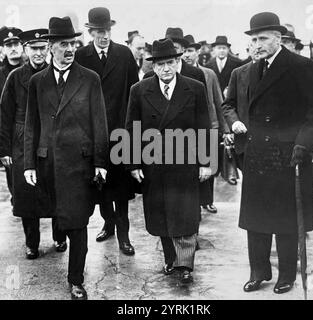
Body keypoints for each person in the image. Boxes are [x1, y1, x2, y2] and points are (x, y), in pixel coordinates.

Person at [240, 12, 313, 294]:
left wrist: (303, 145)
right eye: (254, 39)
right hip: (258, 156)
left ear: (279, 38)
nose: (257, 44)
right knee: (256, 218)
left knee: (287, 219)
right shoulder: (253, 68)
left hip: (290, 156)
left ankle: (287, 274)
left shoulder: (302, 66)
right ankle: (259, 271)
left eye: (263, 38)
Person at [24, 16, 109, 300]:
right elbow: (31, 125)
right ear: (51, 47)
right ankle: (60, 245)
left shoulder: (89, 78)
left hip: (79, 165)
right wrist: (28, 164)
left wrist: (100, 162)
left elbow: (100, 123)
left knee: (79, 223)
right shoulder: (38, 82)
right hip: (48, 165)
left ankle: (76, 280)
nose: (70, 49)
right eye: (63, 44)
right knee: (60, 219)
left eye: (72, 43)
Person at [126, 38, 211, 285]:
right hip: (154, 163)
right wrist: (133, 163)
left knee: (184, 214)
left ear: (178, 62)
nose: (165, 69)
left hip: (185, 162)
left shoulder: (194, 88)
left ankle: (185, 264)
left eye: (170, 63)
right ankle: (170, 257)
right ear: (153, 66)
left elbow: (204, 126)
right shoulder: (139, 90)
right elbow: (131, 128)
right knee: (161, 214)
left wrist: (206, 162)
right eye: (160, 64)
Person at [75, 7, 139, 255]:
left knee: (121, 189)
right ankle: (108, 223)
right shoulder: (81, 55)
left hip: (120, 132)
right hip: (92, 132)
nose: (104, 36)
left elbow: (135, 91)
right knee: (100, 185)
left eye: (108, 31)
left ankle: (124, 236)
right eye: (99, 31)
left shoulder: (124, 54)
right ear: (91, 31)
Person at [0, 28, 67, 259]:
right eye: (33, 49)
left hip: (51, 139)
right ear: (26, 50)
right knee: (26, 194)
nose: (38, 53)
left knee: (57, 189)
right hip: (21, 141)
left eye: (42, 48)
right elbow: (5, 114)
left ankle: (60, 236)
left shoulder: (56, 75)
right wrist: (4, 149)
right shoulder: (15, 77)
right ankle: (32, 242)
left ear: (48, 49)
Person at [183, 34, 230, 210]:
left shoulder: (208, 73)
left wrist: (224, 128)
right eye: (184, 52)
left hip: (209, 124)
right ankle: (194, 203)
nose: (186, 55)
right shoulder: (178, 74)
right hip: (188, 127)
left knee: (208, 164)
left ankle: (208, 201)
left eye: (190, 51)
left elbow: (218, 101)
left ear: (197, 52)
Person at [221, 41, 260, 169]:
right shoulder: (238, 73)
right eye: (252, 46)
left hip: (272, 146)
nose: (257, 49)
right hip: (245, 143)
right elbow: (228, 105)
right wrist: (235, 122)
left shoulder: (277, 73)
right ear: (248, 50)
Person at [0, 27, 24, 203]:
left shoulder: (30, 70)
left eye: (16, 43)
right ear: (3, 49)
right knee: (13, 177)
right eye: (9, 45)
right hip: (9, 134)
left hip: (29, 131)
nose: (13, 48)